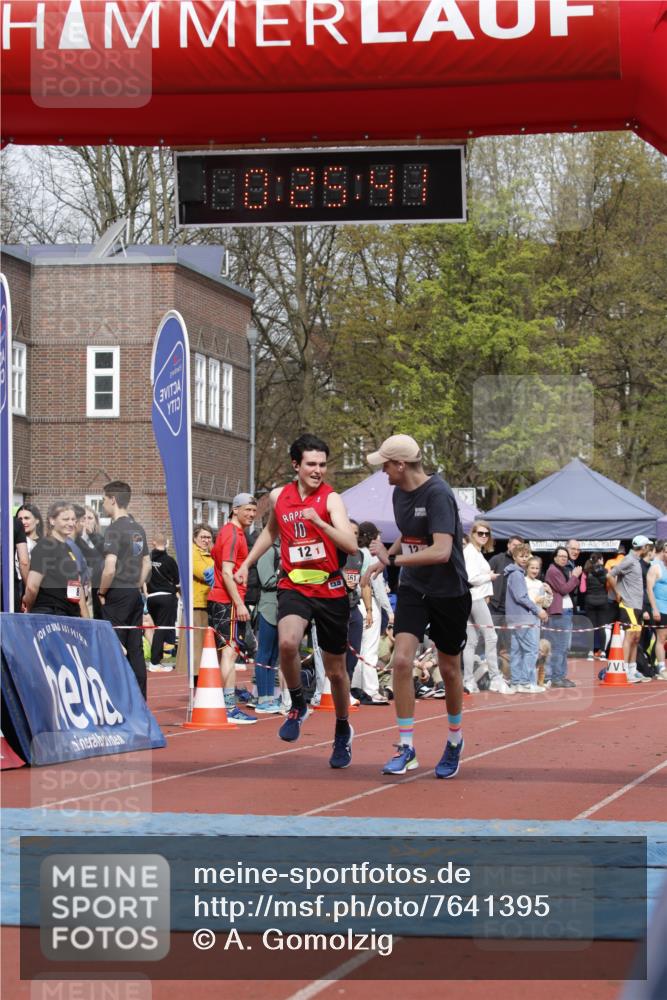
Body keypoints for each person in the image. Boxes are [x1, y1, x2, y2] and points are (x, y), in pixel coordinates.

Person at [235, 433, 357, 768]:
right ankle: (298, 703)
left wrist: (320, 522)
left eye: (322, 464)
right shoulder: (279, 497)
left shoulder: (331, 500)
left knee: (335, 672)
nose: (318, 470)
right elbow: (271, 533)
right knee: (287, 644)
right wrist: (246, 563)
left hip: (330, 589)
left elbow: (350, 545)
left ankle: (343, 728)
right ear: (296, 465)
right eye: (311, 464)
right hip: (294, 586)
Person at [364, 434, 471, 779]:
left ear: (400, 465)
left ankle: (454, 740)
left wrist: (395, 564)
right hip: (414, 589)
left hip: (447, 591)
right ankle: (406, 746)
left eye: (385, 465)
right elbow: (409, 533)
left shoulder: (439, 494)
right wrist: (388, 558)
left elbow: (441, 550)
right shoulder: (399, 494)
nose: (383, 473)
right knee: (401, 660)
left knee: (450, 669)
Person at [208, 493, 259, 724]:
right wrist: (238, 604)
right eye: (247, 509)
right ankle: (227, 708)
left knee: (229, 650)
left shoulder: (234, 533)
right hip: (227, 601)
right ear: (234, 509)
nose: (251, 514)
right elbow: (227, 572)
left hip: (227, 598)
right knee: (228, 651)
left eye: (254, 511)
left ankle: (224, 704)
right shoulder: (231, 533)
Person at [98, 481, 152, 699]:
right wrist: (137, 585)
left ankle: (116, 699)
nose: (103, 504)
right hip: (132, 592)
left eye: (103, 499)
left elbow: (109, 569)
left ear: (112, 499)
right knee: (135, 647)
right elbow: (146, 563)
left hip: (117, 593)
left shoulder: (113, 529)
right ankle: (140, 698)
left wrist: (102, 592)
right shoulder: (137, 529)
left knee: (115, 646)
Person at [462, 520, 513, 695]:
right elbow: (470, 578)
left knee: (471, 641)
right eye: (480, 533)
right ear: (472, 534)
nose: (484, 536)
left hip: (473, 599)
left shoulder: (475, 552)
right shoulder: (470, 552)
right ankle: (495, 679)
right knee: (490, 637)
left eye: (486, 533)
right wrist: (489, 577)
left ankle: (469, 681)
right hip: (474, 598)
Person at [22, 501, 88, 619]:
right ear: (52, 521)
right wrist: (31, 611)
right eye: (65, 519)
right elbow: (32, 587)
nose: (71, 523)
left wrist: (86, 619)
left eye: (73, 519)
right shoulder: (44, 547)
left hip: (69, 614)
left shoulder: (68, 548)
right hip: (50, 614)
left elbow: (77, 584)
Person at [352, 521, 391, 704]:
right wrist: (389, 610)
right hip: (369, 603)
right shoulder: (373, 557)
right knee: (370, 649)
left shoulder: (355, 554)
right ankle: (371, 690)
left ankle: (356, 687)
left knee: (357, 649)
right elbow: (377, 586)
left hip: (354, 602)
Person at [609, 535, 653, 684]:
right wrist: (617, 593)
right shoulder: (628, 560)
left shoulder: (636, 560)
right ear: (644, 547)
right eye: (648, 545)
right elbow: (610, 574)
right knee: (630, 637)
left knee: (636, 638)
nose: (649, 548)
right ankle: (625, 670)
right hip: (628, 605)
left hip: (637, 605)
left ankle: (632, 669)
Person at [505, 544, 547, 692]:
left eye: (526, 555)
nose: (524, 559)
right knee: (531, 651)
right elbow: (521, 597)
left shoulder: (514, 573)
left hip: (515, 618)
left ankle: (516, 682)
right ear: (515, 557)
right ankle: (525, 682)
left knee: (517, 651)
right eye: (521, 556)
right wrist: (538, 610)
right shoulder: (517, 574)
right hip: (523, 618)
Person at [544, 545, 582, 688]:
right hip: (559, 613)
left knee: (563, 646)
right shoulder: (553, 571)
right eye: (561, 556)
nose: (563, 559)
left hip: (565, 612)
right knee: (560, 646)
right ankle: (556, 677)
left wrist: (573, 577)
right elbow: (564, 589)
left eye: (565, 557)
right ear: (554, 557)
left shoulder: (561, 570)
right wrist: (574, 577)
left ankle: (559, 675)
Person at [254, 538, 283, 714]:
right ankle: (262, 698)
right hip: (268, 607)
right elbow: (266, 580)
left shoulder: (283, 547)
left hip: (281, 607)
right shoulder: (267, 549)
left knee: (274, 656)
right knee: (264, 653)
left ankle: (270, 696)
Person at [146, 531, 180, 673]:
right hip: (166, 597)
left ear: (153, 542)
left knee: (159, 628)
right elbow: (177, 581)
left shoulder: (146, 559)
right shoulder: (170, 561)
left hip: (151, 598)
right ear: (166, 543)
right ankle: (155, 661)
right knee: (163, 628)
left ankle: (160, 659)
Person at [191, 523, 215, 676]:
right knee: (198, 646)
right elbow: (205, 573)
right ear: (195, 538)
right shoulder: (194, 553)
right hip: (198, 604)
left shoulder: (210, 553)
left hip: (210, 603)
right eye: (202, 537)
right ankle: (197, 679)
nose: (206, 540)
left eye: (208, 537)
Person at [78, 506, 105, 617]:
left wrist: (91, 535)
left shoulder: (101, 539)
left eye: (90, 518)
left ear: (96, 521)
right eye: (83, 518)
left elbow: (97, 557)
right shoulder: (75, 540)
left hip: (97, 587)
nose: (87, 522)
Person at [583, 552, 610, 659]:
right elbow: (607, 584)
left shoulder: (587, 571)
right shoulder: (605, 571)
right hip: (603, 600)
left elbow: (583, 589)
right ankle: (603, 651)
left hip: (590, 600)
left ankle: (590, 651)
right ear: (600, 559)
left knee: (591, 627)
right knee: (602, 627)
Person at [647, 540, 667, 680]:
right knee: (661, 637)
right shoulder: (655, 567)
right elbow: (649, 589)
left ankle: (655, 663)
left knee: (662, 638)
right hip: (660, 607)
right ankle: (661, 667)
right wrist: (654, 609)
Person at [489, 535, 524, 616]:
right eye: (514, 545)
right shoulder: (497, 559)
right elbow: (484, 577)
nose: (516, 548)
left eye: (519, 546)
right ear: (508, 545)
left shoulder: (523, 563)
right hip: (496, 607)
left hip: (515, 608)